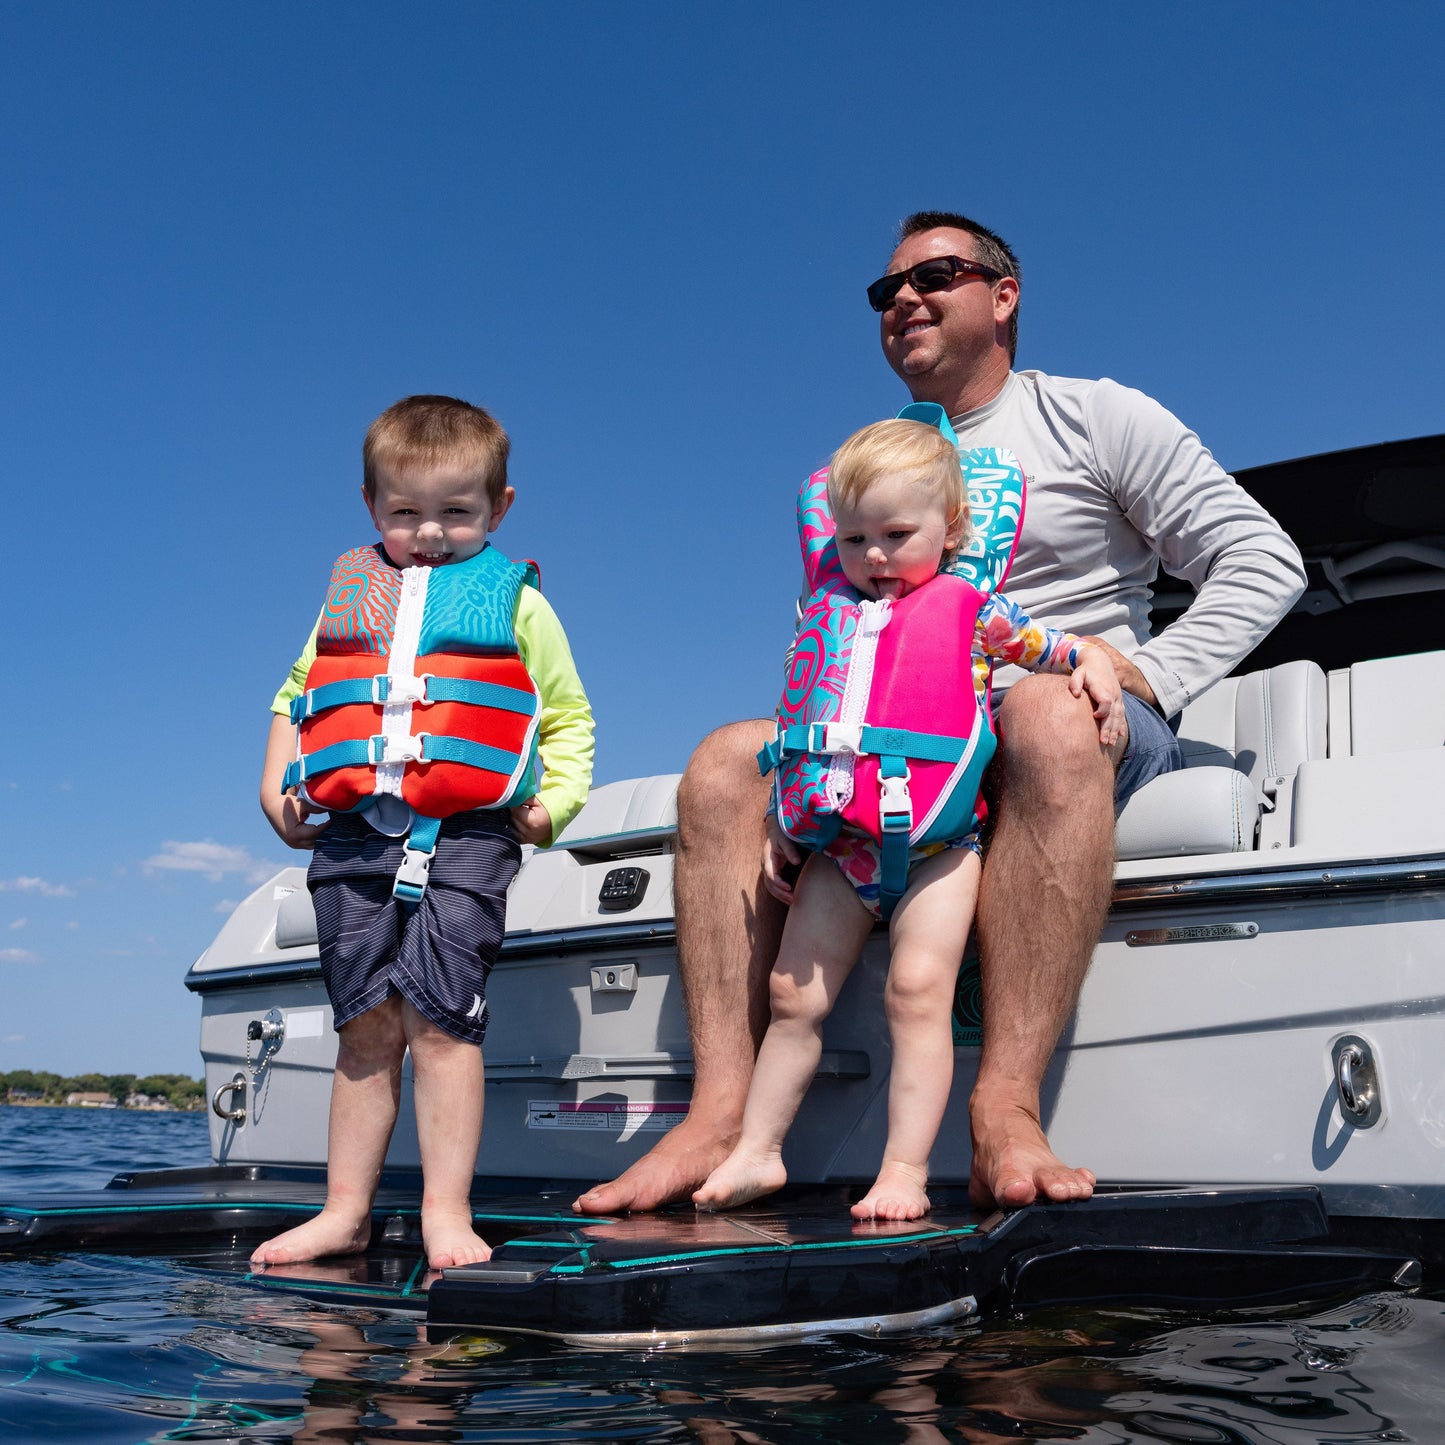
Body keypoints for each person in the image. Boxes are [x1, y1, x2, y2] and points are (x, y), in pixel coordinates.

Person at [575, 211, 1305, 1217]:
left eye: (937, 275)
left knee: (1044, 713)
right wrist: (794, 793)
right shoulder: (864, 470)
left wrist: (1136, 671)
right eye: (885, 291)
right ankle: (719, 1115)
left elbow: (1261, 559)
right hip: (898, 754)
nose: (904, 299)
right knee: (719, 762)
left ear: (1003, 296)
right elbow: (824, 651)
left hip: (1066, 710)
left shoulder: (1095, 415)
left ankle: (1003, 1105)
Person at [693, 417, 1126, 1220]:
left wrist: (1093, 659)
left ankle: (903, 1169)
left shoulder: (974, 610)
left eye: (896, 534)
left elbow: (1050, 648)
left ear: (950, 529)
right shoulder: (827, 619)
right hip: (842, 848)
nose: (875, 557)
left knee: (917, 990)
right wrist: (789, 821)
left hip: (939, 849)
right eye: (854, 539)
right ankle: (756, 1151)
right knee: (792, 994)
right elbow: (806, 727)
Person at [252, 394, 594, 1270]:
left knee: (442, 1026)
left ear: (500, 509)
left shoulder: (518, 604)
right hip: (353, 838)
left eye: (457, 513)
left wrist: (551, 806)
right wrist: (274, 780)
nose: (430, 534)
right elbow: (299, 692)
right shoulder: (352, 591)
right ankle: (344, 1211)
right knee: (364, 1024)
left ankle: (447, 1211)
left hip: (470, 835)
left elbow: (567, 719)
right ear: (371, 504)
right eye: (405, 513)